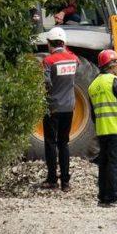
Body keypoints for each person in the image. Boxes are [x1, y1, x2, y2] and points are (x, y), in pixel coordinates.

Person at [88, 49, 117, 207]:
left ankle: (102, 197)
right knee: (114, 165)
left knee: (104, 164)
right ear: (111, 65)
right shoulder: (114, 81)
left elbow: (93, 113)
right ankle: (113, 198)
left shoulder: (93, 85)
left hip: (102, 130)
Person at [41, 26, 79, 191]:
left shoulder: (48, 61)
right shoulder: (74, 59)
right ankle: (65, 182)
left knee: (50, 143)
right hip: (69, 107)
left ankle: (52, 179)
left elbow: (46, 83)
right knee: (64, 143)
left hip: (53, 107)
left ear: (50, 43)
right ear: (63, 42)